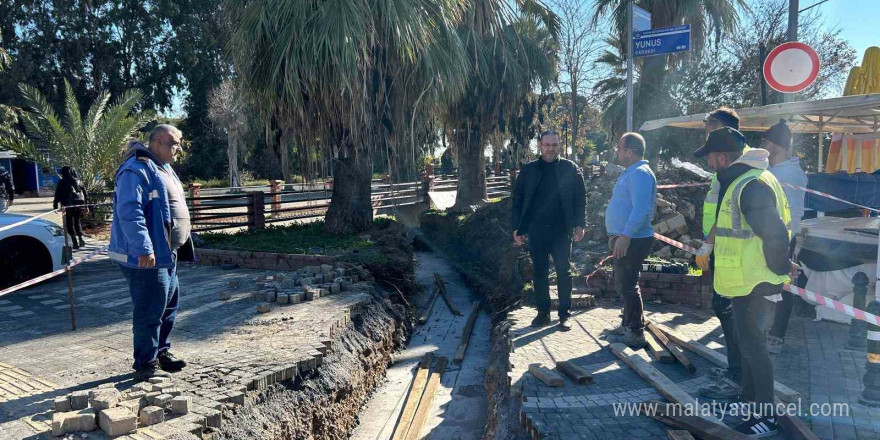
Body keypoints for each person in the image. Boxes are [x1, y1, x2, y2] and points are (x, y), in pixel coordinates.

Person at [694, 127, 792, 437]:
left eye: (710, 157)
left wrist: (781, 270)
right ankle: (748, 402)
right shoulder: (746, 180)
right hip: (747, 279)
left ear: (722, 157)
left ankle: (766, 415)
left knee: (754, 348)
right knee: (748, 346)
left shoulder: (748, 184)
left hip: (757, 279)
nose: (709, 163)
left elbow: (774, 234)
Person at [108, 124, 194, 380]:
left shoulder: (163, 167)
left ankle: (161, 352)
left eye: (178, 143)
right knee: (149, 309)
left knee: (168, 306)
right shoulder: (135, 170)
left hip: (167, 252)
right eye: (173, 143)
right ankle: (145, 363)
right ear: (157, 141)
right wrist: (143, 248)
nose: (177, 149)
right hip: (146, 257)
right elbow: (130, 212)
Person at [694, 107, 748, 401]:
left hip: (735, 254)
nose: (706, 133)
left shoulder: (736, 168)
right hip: (725, 249)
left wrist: (709, 243)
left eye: (710, 128)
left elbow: (730, 210)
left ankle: (738, 376)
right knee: (725, 309)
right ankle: (736, 372)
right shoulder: (731, 165)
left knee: (731, 312)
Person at [511, 130, 586, 330]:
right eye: (547, 145)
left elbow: (580, 199)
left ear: (559, 146)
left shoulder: (570, 168)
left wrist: (580, 224)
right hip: (536, 230)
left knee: (564, 271)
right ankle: (543, 313)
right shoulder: (529, 171)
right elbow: (517, 201)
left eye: (554, 145)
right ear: (540, 145)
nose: (550, 148)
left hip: (562, 230)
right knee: (540, 272)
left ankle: (564, 314)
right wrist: (516, 227)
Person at [603, 132, 656, 348]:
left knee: (628, 284)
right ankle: (628, 323)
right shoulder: (631, 172)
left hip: (632, 239)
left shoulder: (640, 174)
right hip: (626, 237)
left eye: (619, 147)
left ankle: (634, 331)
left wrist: (625, 236)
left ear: (630, 152)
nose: (617, 151)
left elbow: (641, 209)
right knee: (625, 283)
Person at [762, 120, 807, 354]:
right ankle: (766, 329)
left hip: (783, 237)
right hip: (767, 235)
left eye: (766, 141)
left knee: (784, 284)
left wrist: (788, 239)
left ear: (777, 145)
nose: (763, 145)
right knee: (769, 281)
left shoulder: (792, 173)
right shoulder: (770, 170)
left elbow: (792, 211)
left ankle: (776, 335)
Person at [53, 166, 89, 249]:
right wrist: (86, 205)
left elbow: (57, 195)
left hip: (67, 206)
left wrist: (55, 205)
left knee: (69, 224)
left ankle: (74, 242)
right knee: (77, 222)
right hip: (79, 205)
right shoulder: (79, 181)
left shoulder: (62, 182)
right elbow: (85, 194)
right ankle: (80, 238)